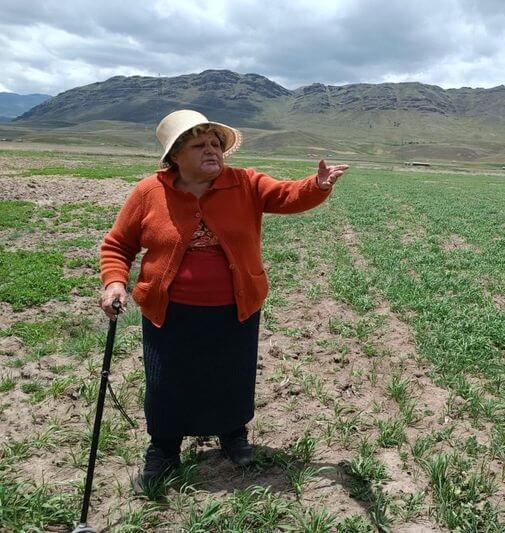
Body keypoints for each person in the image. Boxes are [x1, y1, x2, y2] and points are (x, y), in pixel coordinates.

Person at [98, 109, 348, 491]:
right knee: (168, 381)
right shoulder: (150, 192)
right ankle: (164, 449)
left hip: (236, 306)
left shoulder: (244, 183)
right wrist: (114, 282)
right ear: (175, 155)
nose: (212, 150)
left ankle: (233, 436)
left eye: (216, 143)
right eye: (199, 145)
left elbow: (286, 195)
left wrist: (317, 185)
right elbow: (119, 244)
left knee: (232, 374)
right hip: (170, 310)